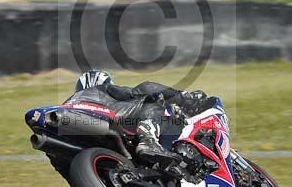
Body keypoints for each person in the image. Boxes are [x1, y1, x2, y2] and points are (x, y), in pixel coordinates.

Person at [66, 70, 211, 164]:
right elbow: (143, 89)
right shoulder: (103, 90)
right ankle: (148, 141)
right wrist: (184, 98)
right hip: (110, 118)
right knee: (151, 100)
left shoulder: (70, 102)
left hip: (72, 129)